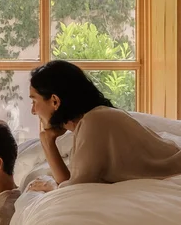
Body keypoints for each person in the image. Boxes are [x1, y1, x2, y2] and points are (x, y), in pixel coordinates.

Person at [27, 60, 181, 192]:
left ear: (55, 101)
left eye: (34, 101)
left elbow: (77, 188)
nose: (33, 111)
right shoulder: (90, 121)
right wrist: (47, 141)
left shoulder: (94, 122)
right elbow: (72, 179)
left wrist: (51, 185)